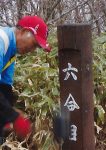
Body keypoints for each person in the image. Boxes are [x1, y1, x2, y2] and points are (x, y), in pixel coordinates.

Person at [0, 15, 51, 144]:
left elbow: (4, 87)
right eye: (34, 44)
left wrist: (7, 119)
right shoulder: (2, 41)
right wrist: (14, 117)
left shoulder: (11, 51)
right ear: (23, 31)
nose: (32, 50)